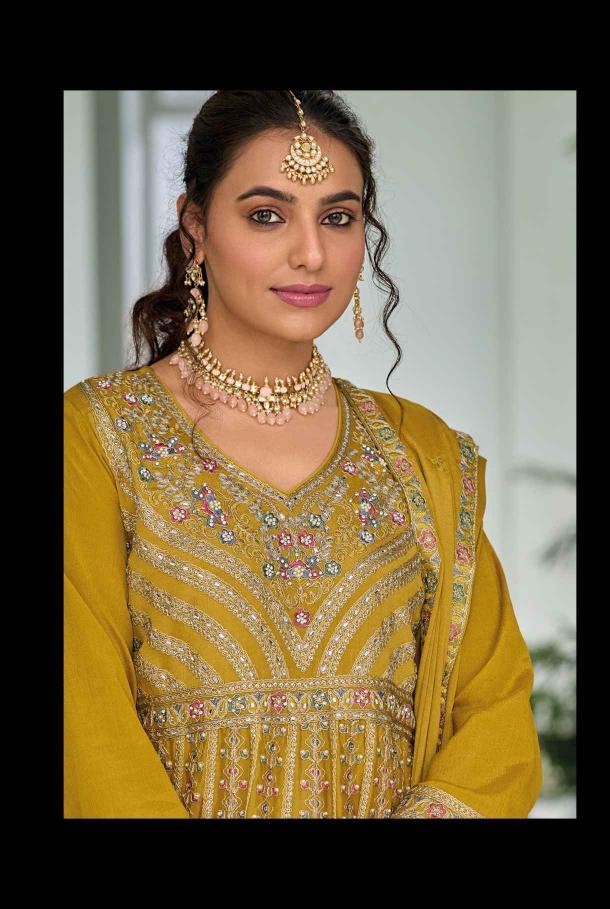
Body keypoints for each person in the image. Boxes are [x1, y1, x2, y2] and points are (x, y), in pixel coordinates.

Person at [64, 91, 542, 818]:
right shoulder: (97, 437)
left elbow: (496, 712)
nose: (311, 253)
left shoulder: (423, 453)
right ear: (196, 227)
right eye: (267, 215)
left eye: (337, 218)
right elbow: (84, 720)